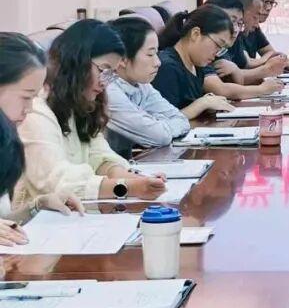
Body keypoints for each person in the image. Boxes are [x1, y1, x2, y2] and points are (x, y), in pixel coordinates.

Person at [17, 21, 166, 203]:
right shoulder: (35, 109)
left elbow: (100, 157)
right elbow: (56, 182)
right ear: (77, 62)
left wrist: (136, 179)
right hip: (33, 217)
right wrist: (128, 187)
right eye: (103, 70)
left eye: (111, 74)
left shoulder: (80, 103)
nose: (105, 82)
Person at [0, 34, 82, 246]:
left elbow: (3, 226)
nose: (29, 109)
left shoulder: (5, 142)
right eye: (26, 97)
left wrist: (37, 206)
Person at [154, 5, 280, 113]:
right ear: (195, 34)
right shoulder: (167, 67)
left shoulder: (197, 65)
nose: (216, 54)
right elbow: (165, 121)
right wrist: (202, 104)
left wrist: (210, 105)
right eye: (217, 45)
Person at [104, 16, 191, 158]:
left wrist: (155, 123)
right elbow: (159, 136)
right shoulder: (108, 92)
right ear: (122, 59)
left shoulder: (142, 85)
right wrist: (157, 122)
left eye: (156, 53)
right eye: (150, 54)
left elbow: (181, 120)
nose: (158, 62)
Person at [204, 0, 282, 84]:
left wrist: (236, 71)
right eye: (232, 21)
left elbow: (243, 69)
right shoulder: (208, 47)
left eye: (239, 23)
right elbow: (221, 87)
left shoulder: (234, 38)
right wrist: (267, 70)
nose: (236, 29)